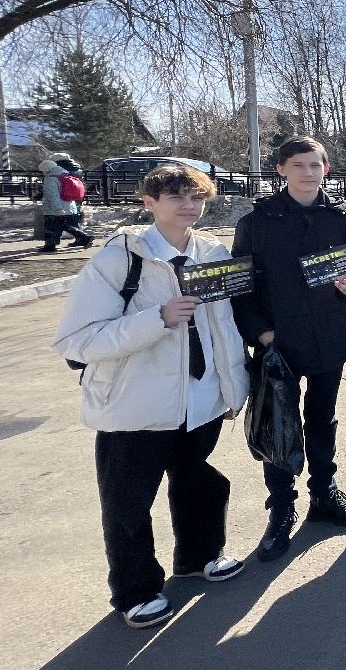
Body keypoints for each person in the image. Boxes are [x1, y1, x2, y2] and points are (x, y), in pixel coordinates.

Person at [52, 164, 249, 629]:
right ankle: (136, 591)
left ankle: (200, 557)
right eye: (176, 195)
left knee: (198, 481)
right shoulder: (121, 258)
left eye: (196, 196)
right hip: (136, 406)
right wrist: (156, 319)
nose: (188, 205)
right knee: (127, 502)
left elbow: (224, 328)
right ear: (149, 202)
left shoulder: (211, 252)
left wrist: (233, 384)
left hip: (200, 399)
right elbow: (76, 340)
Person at [231, 137, 346, 563]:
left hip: (329, 338)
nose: (308, 172)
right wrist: (262, 334)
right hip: (279, 344)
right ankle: (282, 508)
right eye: (299, 165)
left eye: (316, 164)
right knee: (279, 426)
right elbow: (241, 288)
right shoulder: (258, 223)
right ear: (281, 170)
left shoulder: (342, 217)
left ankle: (324, 493)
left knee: (323, 418)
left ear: (326, 169)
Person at [39, 152, 92, 252]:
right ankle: (83, 238)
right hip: (69, 204)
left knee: (51, 227)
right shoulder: (65, 173)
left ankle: (50, 246)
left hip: (55, 208)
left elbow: (53, 196)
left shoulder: (51, 178)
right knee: (65, 225)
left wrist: (58, 209)